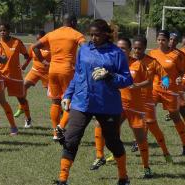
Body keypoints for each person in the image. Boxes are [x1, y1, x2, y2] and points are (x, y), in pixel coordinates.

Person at [55, 19, 132, 185]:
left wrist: (110, 76)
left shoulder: (116, 53)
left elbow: (127, 79)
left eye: (97, 35)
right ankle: (62, 180)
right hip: (83, 102)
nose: (93, 38)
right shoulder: (83, 50)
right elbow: (78, 74)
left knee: (113, 142)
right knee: (71, 139)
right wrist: (68, 94)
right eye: (91, 34)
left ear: (106, 34)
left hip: (107, 105)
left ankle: (123, 177)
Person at [91, 38, 153, 178]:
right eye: (118, 47)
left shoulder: (138, 64)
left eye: (123, 48)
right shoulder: (111, 64)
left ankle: (146, 167)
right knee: (100, 125)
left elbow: (149, 83)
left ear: (129, 50)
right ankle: (99, 156)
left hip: (135, 107)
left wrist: (137, 86)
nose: (120, 50)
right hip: (116, 105)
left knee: (140, 138)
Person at [31, 14, 85, 140]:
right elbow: (85, 49)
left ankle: (55, 134)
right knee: (70, 101)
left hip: (53, 70)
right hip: (67, 70)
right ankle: (61, 127)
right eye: (76, 22)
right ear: (72, 22)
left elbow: (34, 47)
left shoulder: (52, 33)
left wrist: (44, 62)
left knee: (55, 102)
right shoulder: (76, 34)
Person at [148, 30, 185, 155]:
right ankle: (138, 142)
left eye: (164, 40)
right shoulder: (152, 53)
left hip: (171, 91)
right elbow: (150, 70)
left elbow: (182, 71)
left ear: (168, 41)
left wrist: (179, 77)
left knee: (175, 117)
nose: (161, 42)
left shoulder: (177, 54)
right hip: (155, 89)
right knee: (147, 114)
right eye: (159, 40)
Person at [0, 23, 30, 128]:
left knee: (21, 99)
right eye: (1, 31)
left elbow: (27, 56)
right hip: (1, 76)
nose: (3, 32)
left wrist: (24, 65)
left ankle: (28, 119)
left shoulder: (17, 42)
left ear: (9, 31)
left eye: (5, 30)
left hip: (15, 76)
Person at [15, 31, 51, 127]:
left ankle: (60, 111)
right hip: (35, 71)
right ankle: (24, 112)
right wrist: (24, 66)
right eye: (37, 39)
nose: (38, 40)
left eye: (40, 39)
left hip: (47, 73)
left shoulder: (51, 47)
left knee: (53, 95)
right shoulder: (33, 46)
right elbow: (29, 57)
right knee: (22, 88)